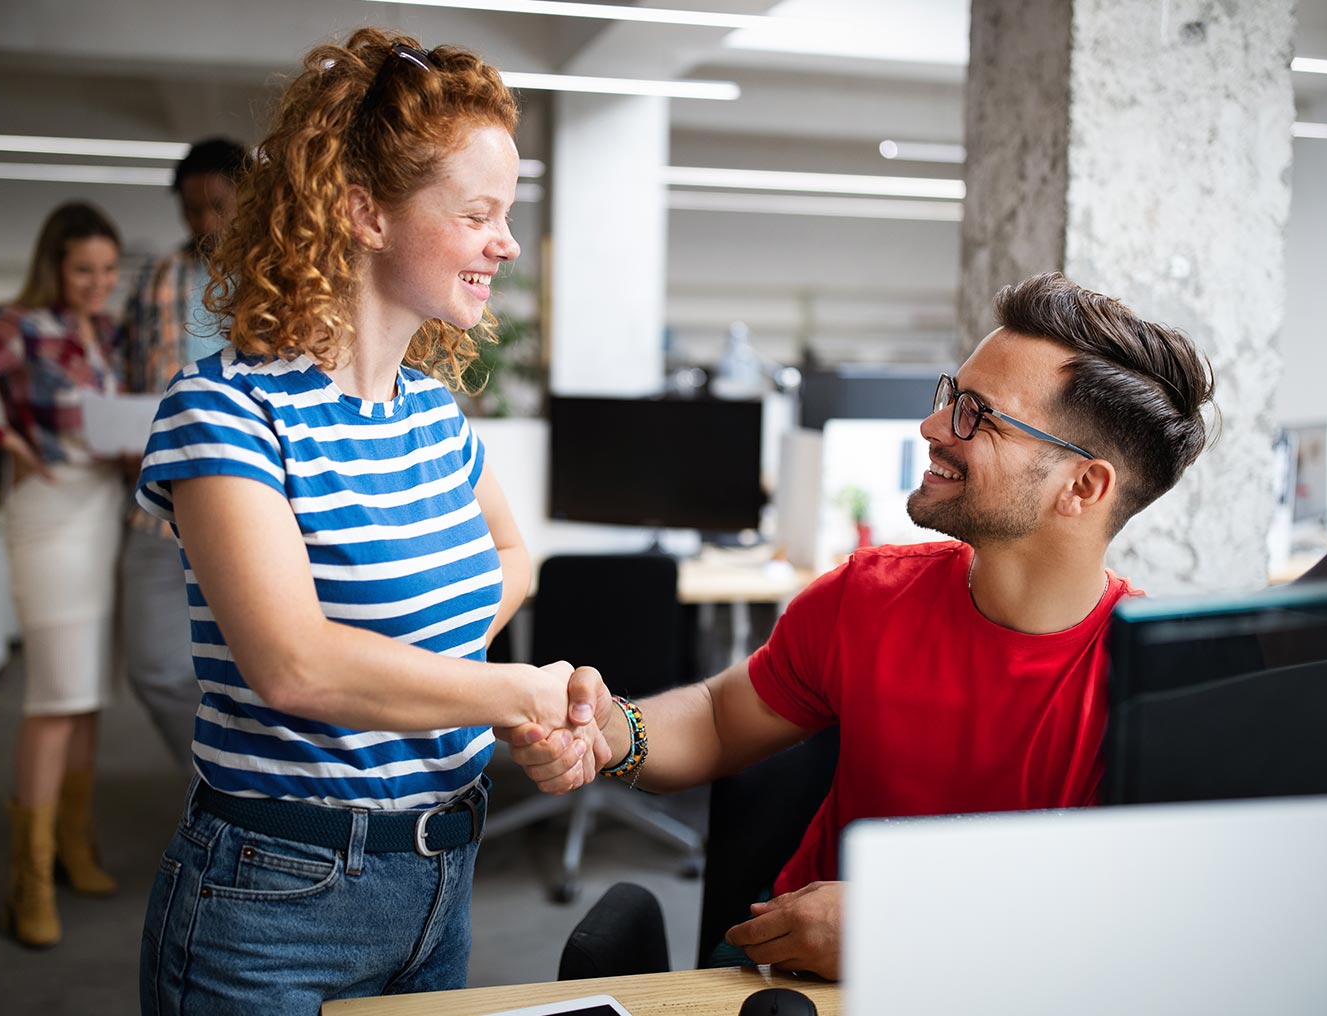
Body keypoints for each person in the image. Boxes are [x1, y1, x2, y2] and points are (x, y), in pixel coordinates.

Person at [509, 271, 1219, 980]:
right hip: (799, 974)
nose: (934, 427)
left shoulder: (1147, 683)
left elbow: (1125, 923)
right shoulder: (868, 595)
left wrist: (902, 926)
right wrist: (615, 732)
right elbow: (722, 720)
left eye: (977, 413)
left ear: (1083, 487)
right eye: (951, 396)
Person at [132, 28, 603, 1012]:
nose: (505, 241)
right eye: (478, 213)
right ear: (364, 212)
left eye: (505, 213)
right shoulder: (227, 411)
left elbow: (512, 555)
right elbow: (293, 663)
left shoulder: (432, 413)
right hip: (274, 899)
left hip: (440, 877)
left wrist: (474, 687)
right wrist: (511, 693)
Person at [0, 201, 127, 948]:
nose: (97, 284)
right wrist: (4, 437)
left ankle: (74, 846)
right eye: (83, 270)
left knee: (88, 697)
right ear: (54, 267)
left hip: (102, 508)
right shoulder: (16, 324)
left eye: (107, 270)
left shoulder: (104, 333)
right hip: (46, 516)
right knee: (55, 694)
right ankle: (28, 879)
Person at [119, 137, 247, 765]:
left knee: (267, 666)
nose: (204, 223)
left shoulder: (279, 278)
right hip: (161, 501)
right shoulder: (163, 275)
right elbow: (137, 372)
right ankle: (213, 777)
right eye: (192, 209)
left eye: (218, 206)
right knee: (154, 664)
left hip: (259, 503)